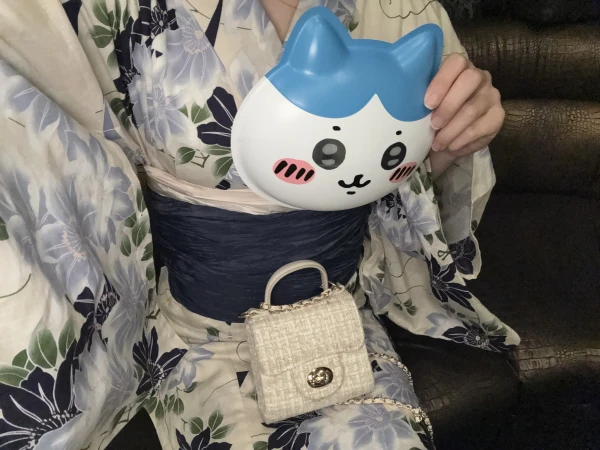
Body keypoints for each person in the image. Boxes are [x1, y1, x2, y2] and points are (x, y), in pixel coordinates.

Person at [0, 1, 519, 449]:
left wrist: (452, 139)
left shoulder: (400, 11)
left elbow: (401, 181)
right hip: (197, 331)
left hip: (334, 316)